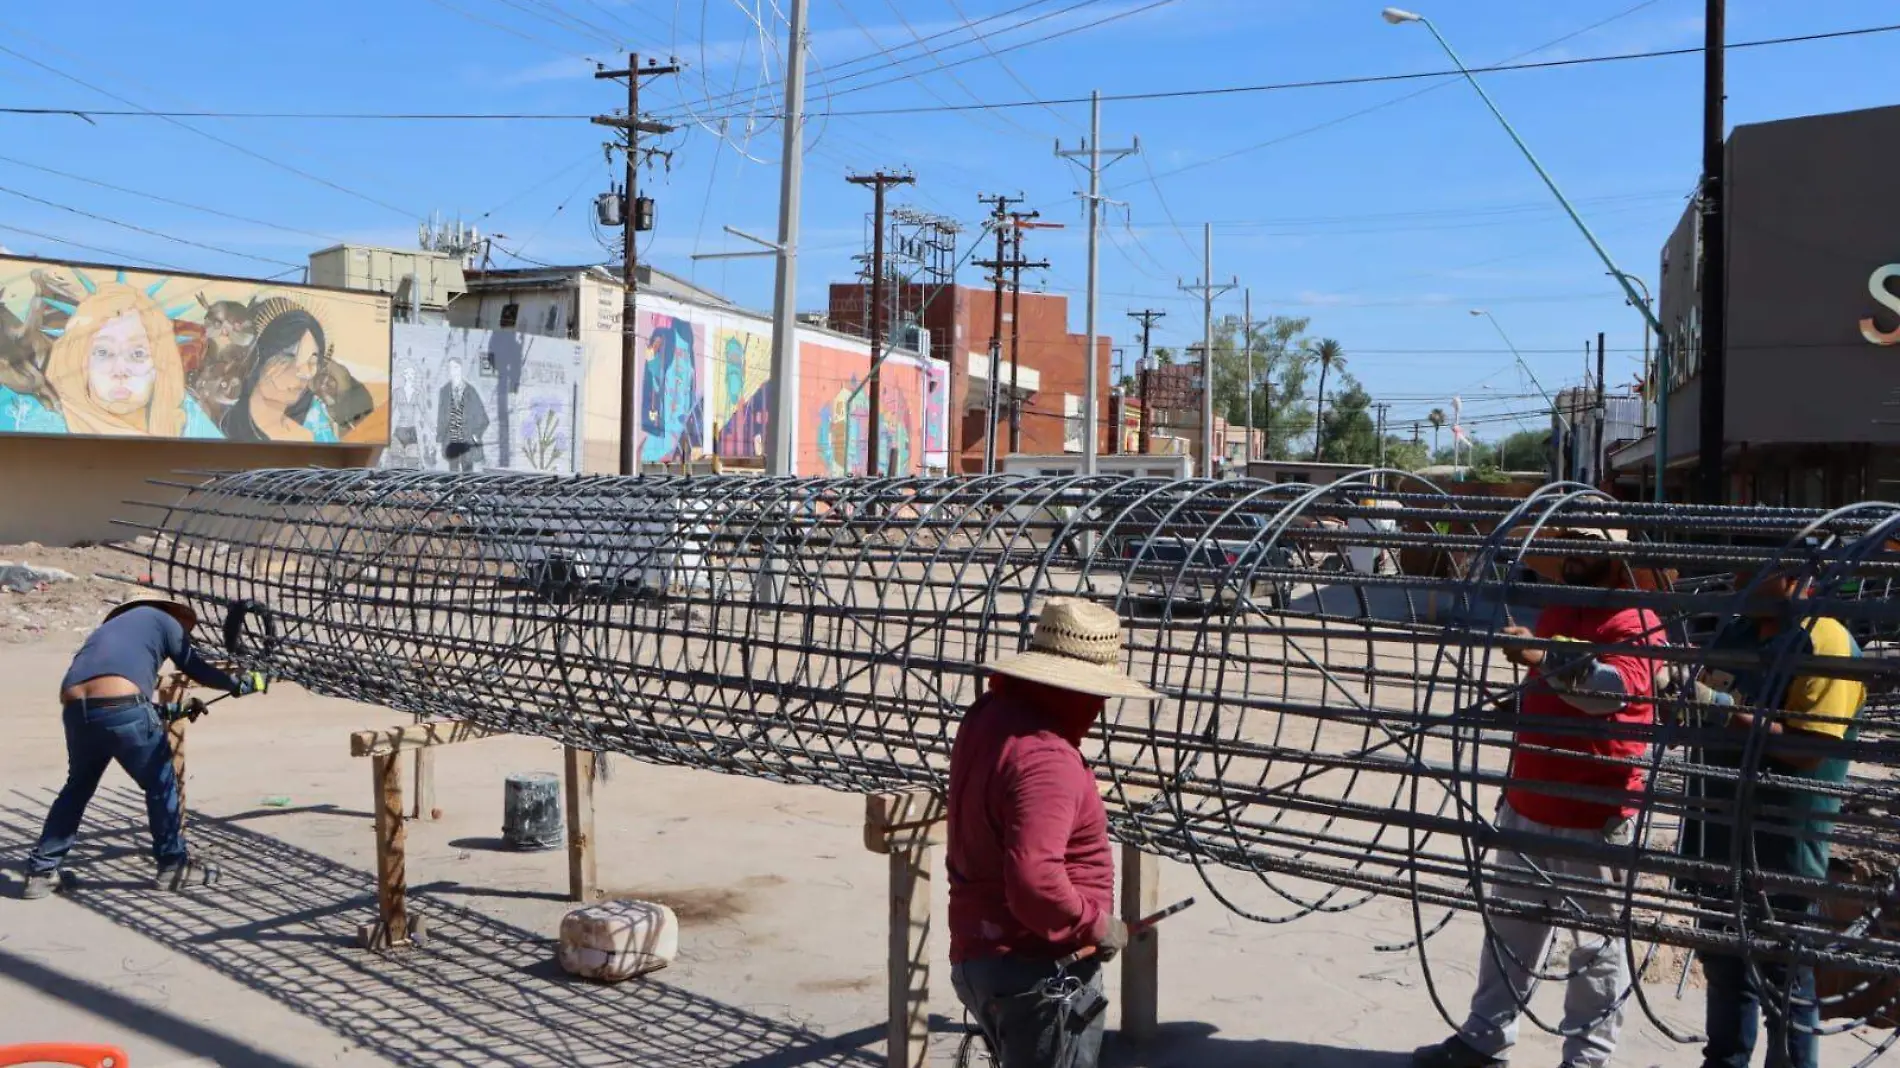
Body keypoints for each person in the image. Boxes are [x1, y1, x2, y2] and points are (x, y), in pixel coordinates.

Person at [1415, 527, 1665, 1068]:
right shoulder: (1558, 610)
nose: (1574, 555)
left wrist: (1539, 655)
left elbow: (1608, 693)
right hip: (1529, 802)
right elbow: (1552, 691)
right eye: (1569, 543)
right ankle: (1486, 1037)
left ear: (1615, 558)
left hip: (1593, 814)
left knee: (1596, 949)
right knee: (1510, 930)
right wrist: (1518, 703)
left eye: (1588, 546)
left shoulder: (1635, 623)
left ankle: (1586, 1061)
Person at [947, 598, 1163, 1068]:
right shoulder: (1047, 760)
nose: (1101, 709)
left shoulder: (989, 715)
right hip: (1035, 968)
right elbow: (1035, 883)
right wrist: (1095, 925)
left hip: (981, 953)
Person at [1692, 540, 1865, 1068]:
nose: (1736, 578)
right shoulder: (1738, 632)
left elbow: (1806, 749)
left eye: (1751, 568)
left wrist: (1718, 707)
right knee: (1723, 961)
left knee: (1784, 974)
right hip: (1718, 826)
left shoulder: (1826, 643)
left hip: (1784, 837)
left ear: (1791, 575)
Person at [22, 597, 264, 897]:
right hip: (122, 707)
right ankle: (174, 866)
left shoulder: (110, 632)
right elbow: (193, 667)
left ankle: (41, 873)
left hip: (76, 709)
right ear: (173, 613)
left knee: (77, 788)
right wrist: (237, 685)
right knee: (161, 782)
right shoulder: (163, 620)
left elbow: (110, 704)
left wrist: (169, 712)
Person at [38, 282, 221, 438]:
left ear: (161, 363)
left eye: (137, 354)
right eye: (103, 352)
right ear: (80, 361)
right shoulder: (41, 428)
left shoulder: (195, 429)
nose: (120, 371)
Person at [219, 301, 337, 443]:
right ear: (263, 356)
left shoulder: (310, 434)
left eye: (312, 363)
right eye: (290, 358)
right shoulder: (225, 429)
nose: (303, 373)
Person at [436, 355, 487, 472]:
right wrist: (439, 442)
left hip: (466, 441)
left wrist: (476, 434)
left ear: (460, 368)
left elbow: (483, 417)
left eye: (455, 367)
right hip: (451, 441)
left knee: (468, 475)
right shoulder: (444, 391)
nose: (453, 371)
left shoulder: (470, 391)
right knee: (452, 475)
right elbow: (441, 419)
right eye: (450, 368)